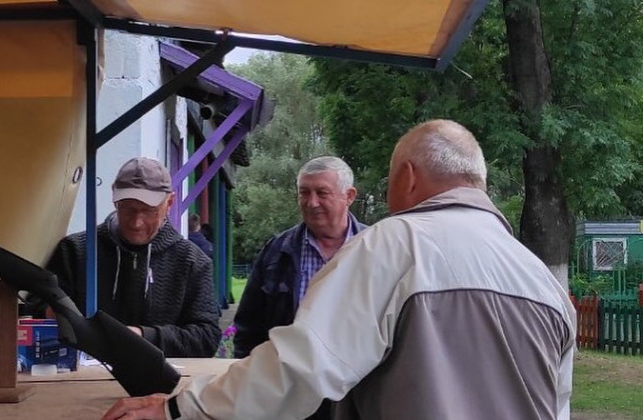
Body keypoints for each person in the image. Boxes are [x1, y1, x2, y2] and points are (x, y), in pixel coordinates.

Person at [101, 120, 576, 420]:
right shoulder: (541, 279)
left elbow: (302, 364)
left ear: (407, 177)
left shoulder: (393, 245)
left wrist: (181, 409)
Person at [46, 157, 221, 357]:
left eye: (149, 211)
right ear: (114, 196)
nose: (136, 222)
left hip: (159, 375)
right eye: (128, 208)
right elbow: (39, 312)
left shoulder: (192, 261)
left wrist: (142, 337)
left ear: (169, 202)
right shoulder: (75, 251)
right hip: (84, 374)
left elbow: (207, 337)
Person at [233, 156, 366, 362]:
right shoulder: (276, 252)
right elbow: (249, 328)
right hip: (288, 376)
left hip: (360, 377)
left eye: (322, 193)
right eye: (304, 193)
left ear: (349, 196)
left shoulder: (375, 249)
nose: (312, 203)